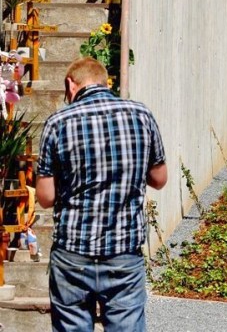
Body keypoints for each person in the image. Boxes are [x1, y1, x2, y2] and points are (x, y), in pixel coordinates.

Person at [37, 57, 167, 332]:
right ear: (106, 82)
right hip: (123, 252)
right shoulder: (140, 114)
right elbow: (159, 179)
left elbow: (45, 197)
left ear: (70, 85)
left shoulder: (57, 123)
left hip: (73, 251)